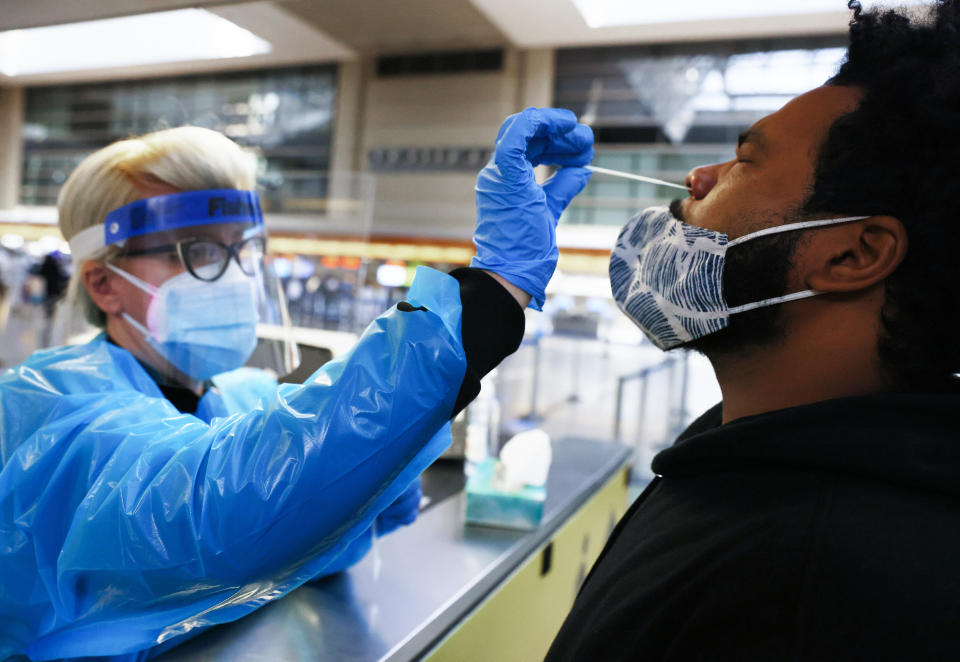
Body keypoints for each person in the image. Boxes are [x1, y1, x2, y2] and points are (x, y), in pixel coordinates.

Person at [0, 111, 593, 660]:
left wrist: (370, 478)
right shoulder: (47, 412)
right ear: (104, 285)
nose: (234, 275)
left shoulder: (239, 396)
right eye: (201, 251)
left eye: (244, 249)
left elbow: (324, 515)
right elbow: (223, 509)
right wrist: (492, 289)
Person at [545, 1, 960, 660]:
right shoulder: (740, 456)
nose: (697, 178)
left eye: (744, 161)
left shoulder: (823, 587)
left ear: (852, 255)